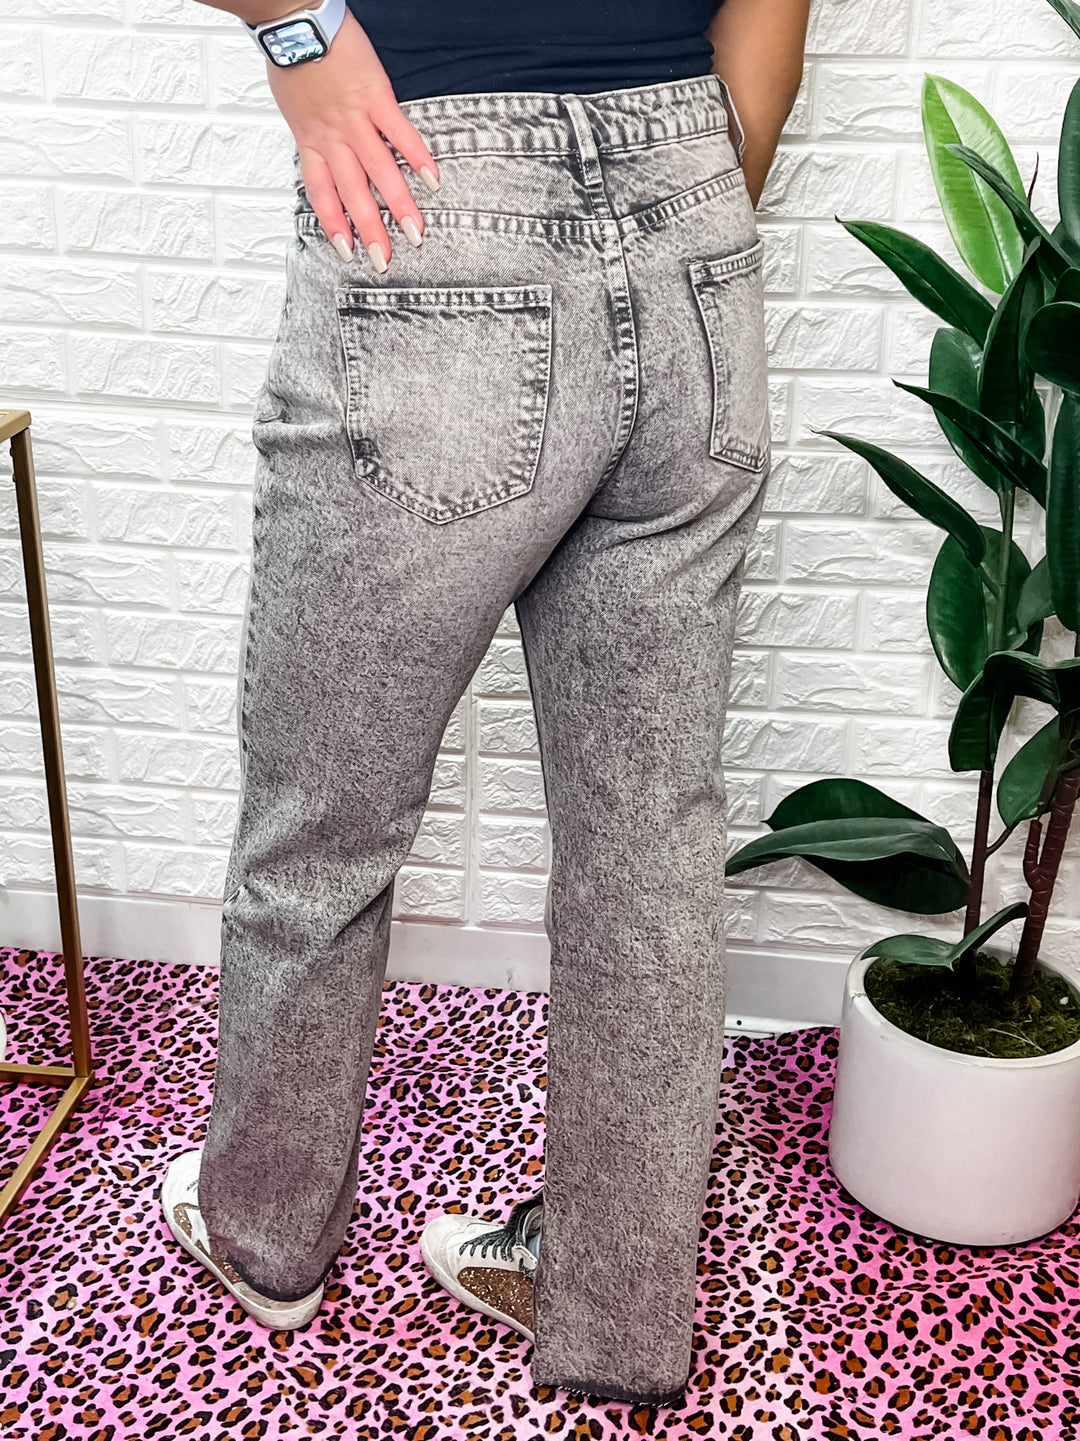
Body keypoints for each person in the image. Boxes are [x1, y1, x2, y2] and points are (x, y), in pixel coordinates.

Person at [159, 0, 810, 1408]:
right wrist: (674, 215)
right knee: (652, 845)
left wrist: (296, 31)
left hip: (432, 202)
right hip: (699, 217)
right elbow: (770, 35)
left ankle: (267, 1237)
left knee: (323, 820)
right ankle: (616, 1313)